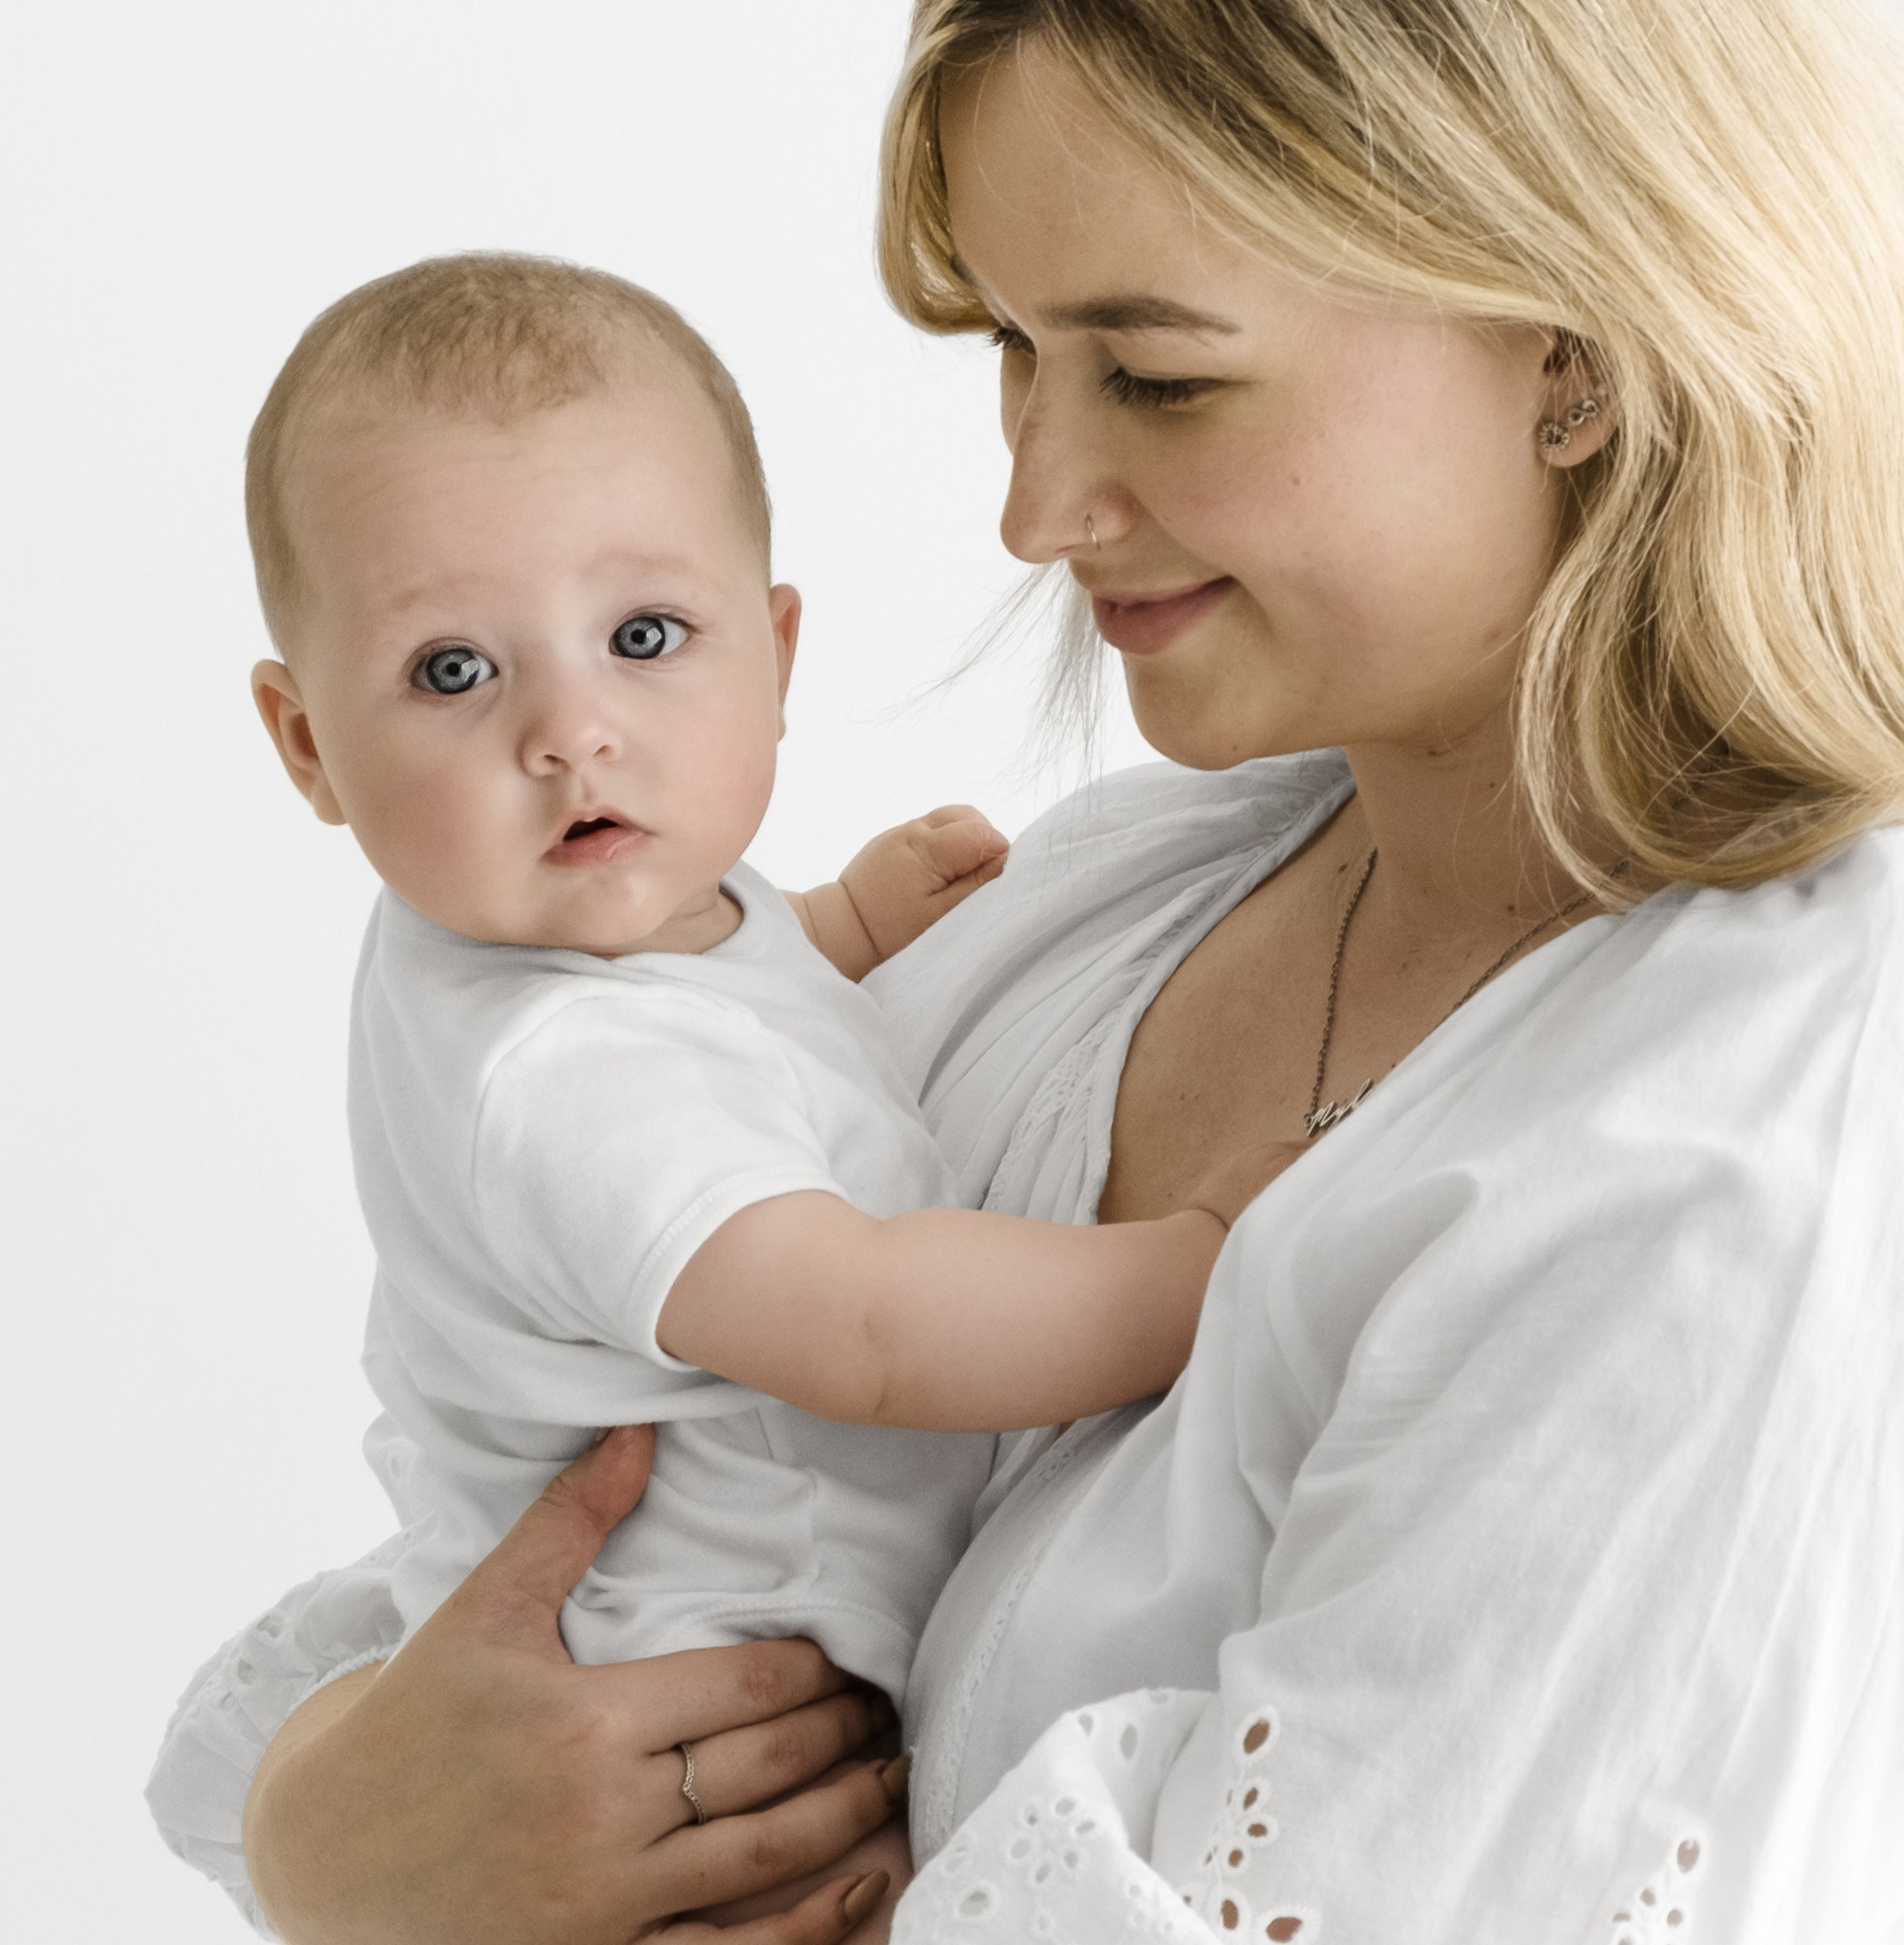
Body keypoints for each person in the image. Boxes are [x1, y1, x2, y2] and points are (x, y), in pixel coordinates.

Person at [148, 1, 1904, 1939]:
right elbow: (588, 1538)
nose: (1029, 507)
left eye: (1154, 374)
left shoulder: (1755, 1141)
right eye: (1010, 347)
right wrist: (329, 1826)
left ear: (1572, 356)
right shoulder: (1102, 901)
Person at [202, 247, 1283, 1934]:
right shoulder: (556, 1077)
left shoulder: (573, 939)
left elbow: (716, 1013)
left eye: (643, 637)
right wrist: (1212, 1261)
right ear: (306, 746)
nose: (570, 731)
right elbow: (864, 1326)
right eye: (453, 672)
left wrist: (841, 923)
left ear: (775, 653)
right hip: (685, 1761)